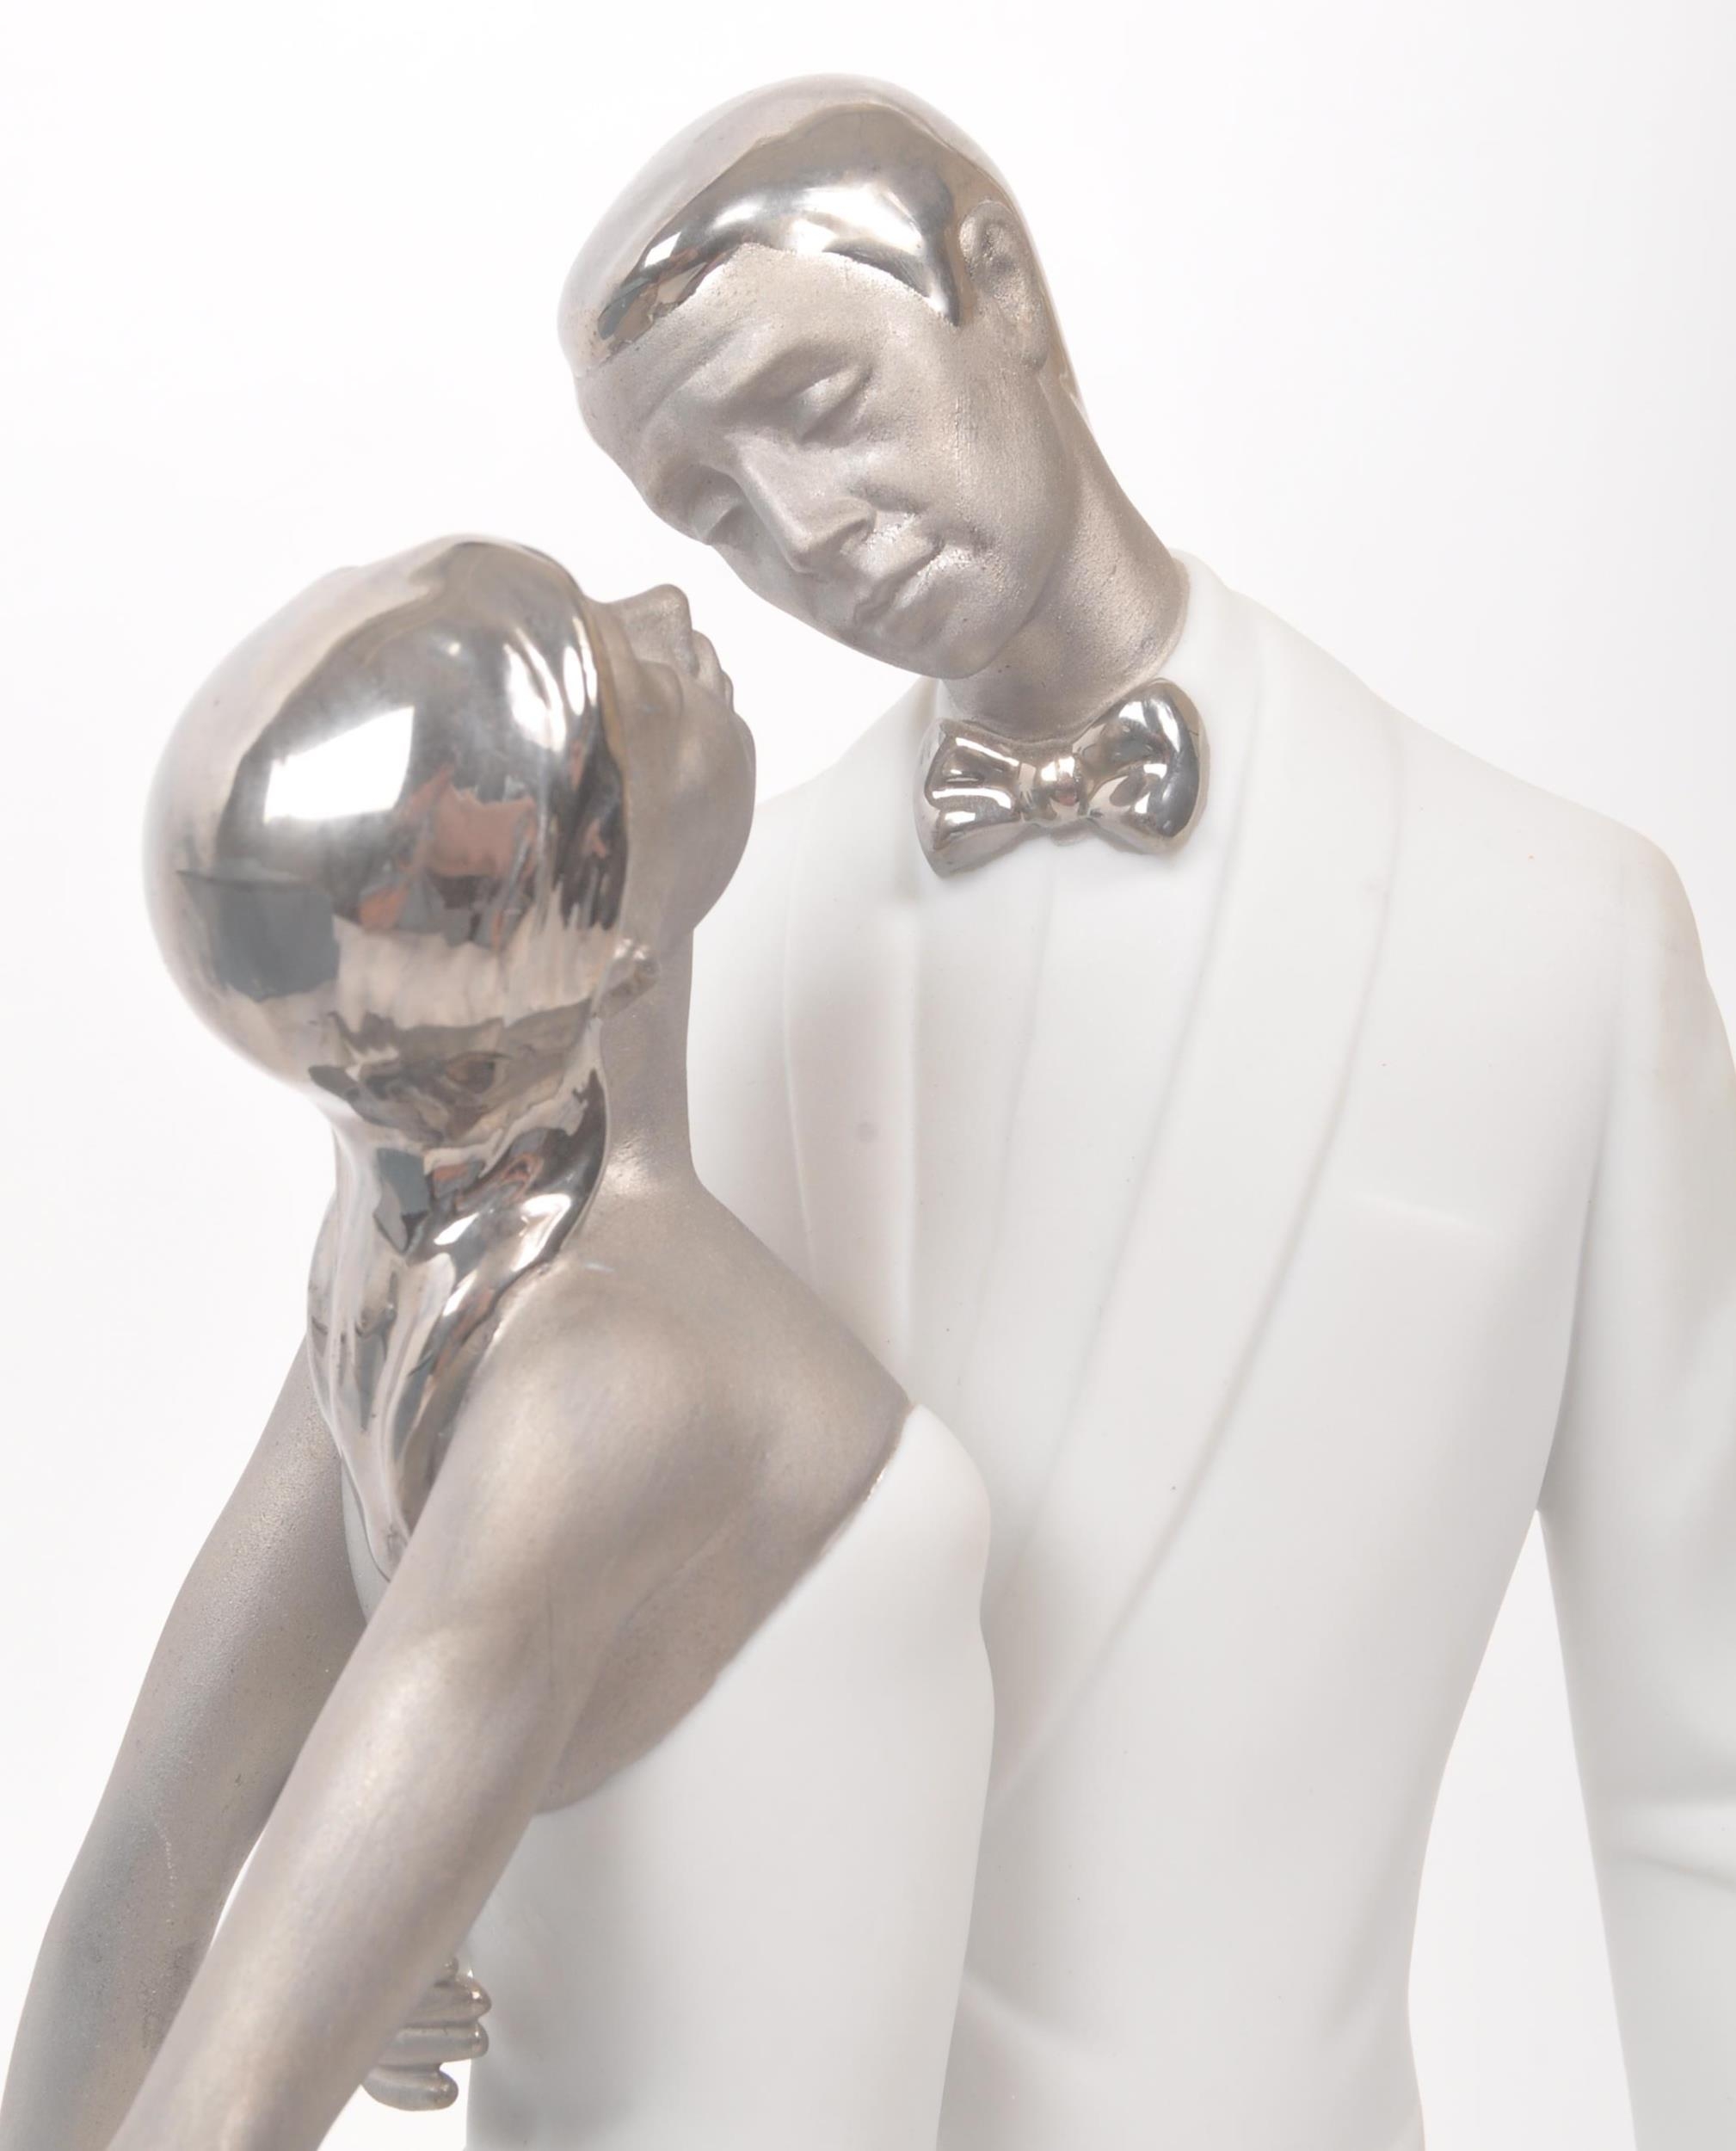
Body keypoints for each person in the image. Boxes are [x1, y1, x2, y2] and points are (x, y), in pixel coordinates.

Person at [561, 76, 1736, 2149]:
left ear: (998, 284)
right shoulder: (705, 978)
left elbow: (1696, 1782)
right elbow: (592, 1623)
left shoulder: (1559, 936)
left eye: (816, 404)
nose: (799, 535)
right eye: (713, 511)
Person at [0, 536, 992, 2151]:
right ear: (606, 944)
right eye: (610, 670)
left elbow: (130, 1908)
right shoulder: (602, 1387)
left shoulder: (398, 1295)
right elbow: (211, 2075)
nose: (670, 611)